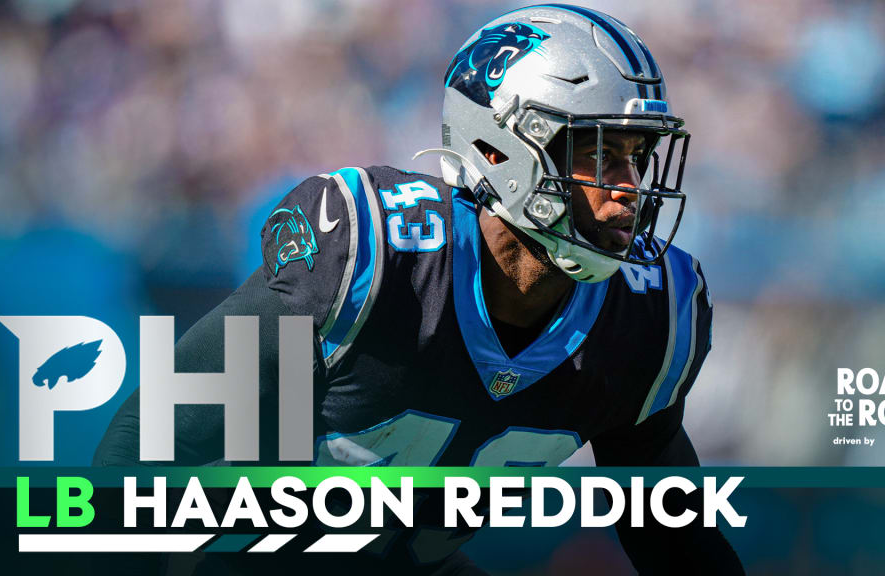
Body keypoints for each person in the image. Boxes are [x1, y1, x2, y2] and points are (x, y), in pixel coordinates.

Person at [96, 4, 744, 574]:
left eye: (638, 157)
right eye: (601, 156)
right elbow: (147, 441)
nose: (628, 188)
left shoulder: (646, 315)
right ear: (500, 150)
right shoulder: (377, 259)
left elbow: (671, 531)